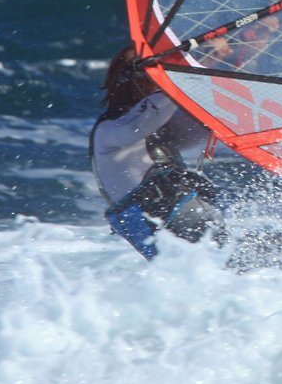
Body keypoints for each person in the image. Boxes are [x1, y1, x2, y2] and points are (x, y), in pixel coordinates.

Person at [90, 44, 227, 259]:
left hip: (181, 218)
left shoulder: (160, 125)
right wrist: (193, 70)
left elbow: (208, 122)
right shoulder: (108, 132)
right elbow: (142, 123)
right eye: (160, 71)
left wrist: (240, 56)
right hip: (163, 222)